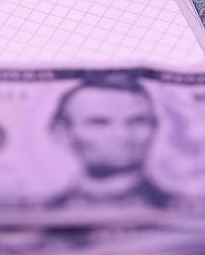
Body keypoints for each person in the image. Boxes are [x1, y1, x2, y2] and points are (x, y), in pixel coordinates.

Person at [47, 74, 174, 209]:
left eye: (137, 121)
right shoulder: (46, 212)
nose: (124, 136)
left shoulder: (176, 207)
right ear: (62, 133)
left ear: (155, 127)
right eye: (99, 123)